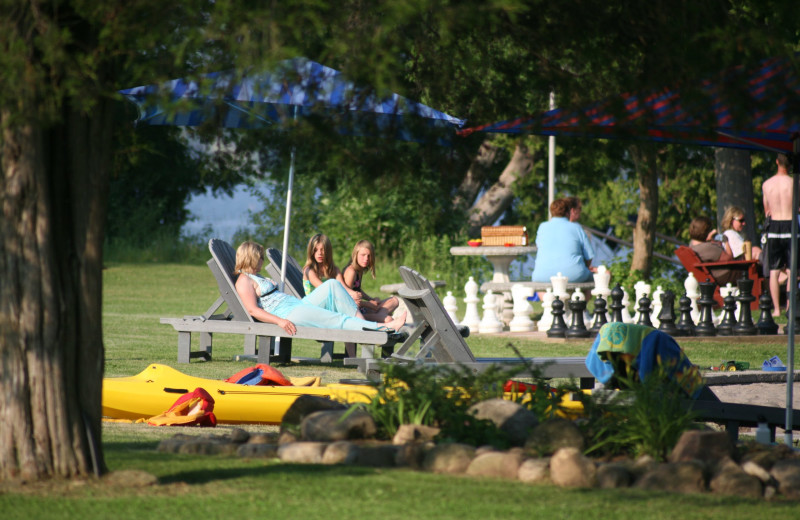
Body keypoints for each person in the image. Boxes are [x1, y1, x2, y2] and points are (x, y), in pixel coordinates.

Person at [233, 241, 406, 335]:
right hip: (289, 314)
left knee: (333, 284)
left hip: (298, 304)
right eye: (260, 257)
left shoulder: (257, 276)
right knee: (336, 318)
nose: (262, 260)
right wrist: (280, 321)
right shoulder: (244, 280)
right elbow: (253, 310)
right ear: (251, 258)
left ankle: (364, 326)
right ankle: (384, 328)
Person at [531, 197, 596, 284]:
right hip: (574, 275)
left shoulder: (542, 227)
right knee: (604, 277)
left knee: (540, 286)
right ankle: (582, 298)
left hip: (542, 276)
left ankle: (546, 298)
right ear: (568, 212)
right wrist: (585, 267)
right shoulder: (576, 227)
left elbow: (540, 247)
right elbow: (589, 256)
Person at [762, 153, 795, 316]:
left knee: (774, 271)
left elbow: (766, 210)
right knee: (791, 270)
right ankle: (789, 307)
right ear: (790, 165)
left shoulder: (767, 184)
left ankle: (776, 309)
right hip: (790, 225)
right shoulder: (795, 182)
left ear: (777, 162)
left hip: (774, 226)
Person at [341, 239, 399, 323]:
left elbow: (357, 289)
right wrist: (369, 304)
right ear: (355, 255)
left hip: (361, 308)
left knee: (394, 301)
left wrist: (371, 299)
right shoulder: (351, 272)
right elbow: (346, 299)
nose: (366, 259)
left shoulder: (359, 270)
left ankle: (379, 317)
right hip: (353, 314)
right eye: (363, 255)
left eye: (369, 255)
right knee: (389, 319)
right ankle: (379, 318)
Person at [688, 216, 740, 285]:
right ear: (706, 232)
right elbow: (730, 258)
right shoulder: (708, 247)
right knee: (752, 268)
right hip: (724, 276)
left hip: (713, 276)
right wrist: (726, 241)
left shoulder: (691, 245)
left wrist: (709, 240)